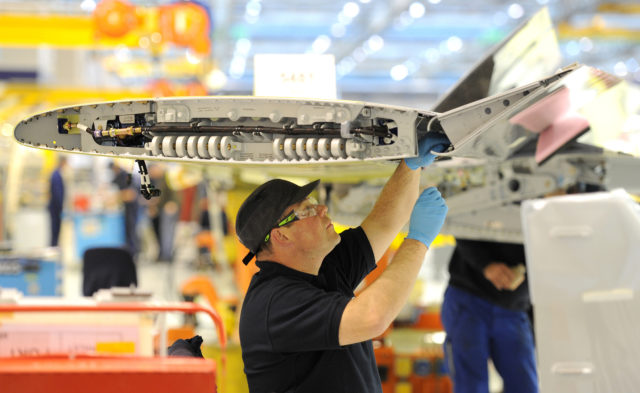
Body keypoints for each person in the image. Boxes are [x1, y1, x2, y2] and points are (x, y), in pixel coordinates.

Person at [236, 134, 450, 393]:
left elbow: (383, 223)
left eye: (313, 202)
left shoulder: (320, 264)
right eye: (307, 210)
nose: (322, 209)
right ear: (281, 235)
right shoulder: (274, 304)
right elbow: (372, 317)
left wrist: (411, 166)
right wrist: (417, 241)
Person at [440, 239, 538, 393]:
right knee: (471, 386)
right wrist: (485, 264)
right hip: (469, 299)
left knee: (526, 386)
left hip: (515, 309)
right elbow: (462, 225)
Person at [111, 162, 140, 256]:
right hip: (126, 209)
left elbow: (131, 194)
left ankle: (133, 253)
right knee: (127, 232)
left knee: (131, 231)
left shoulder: (126, 176)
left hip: (131, 209)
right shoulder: (118, 176)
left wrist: (116, 197)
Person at [48, 156, 67, 247]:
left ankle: (54, 246)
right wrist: (60, 206)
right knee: (55, 229)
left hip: (56, 206)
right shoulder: (56, 175)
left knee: (56, 229)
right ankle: (53, 247)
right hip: (55, 207)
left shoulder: (57, 174)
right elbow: (56, 192)